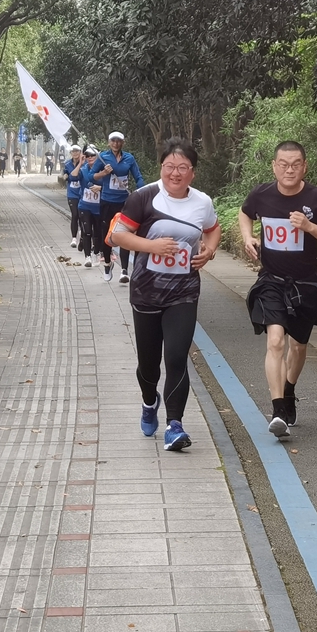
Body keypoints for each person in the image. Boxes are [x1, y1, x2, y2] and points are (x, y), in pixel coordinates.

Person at [109, 137, 220, 452]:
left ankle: (175, 425)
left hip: (184, 292)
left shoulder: (202, 202)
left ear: (192, 172)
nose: (176, 173)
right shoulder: (143, 198)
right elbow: (118, 236)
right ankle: (149, 401)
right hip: (146, 292)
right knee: (149, 364)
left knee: (175, 356)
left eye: (183, 167)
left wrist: (209, 251)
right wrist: (152, 246)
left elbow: (212, 228)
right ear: (161, 167)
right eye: (170, 166)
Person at [239, 141, 317, 438]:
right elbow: (245, 213)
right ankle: (277, 411)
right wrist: (248, 237)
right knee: (275, 341)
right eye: (283, 164)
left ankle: (288, 390)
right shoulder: (261, 194)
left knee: (298, 346)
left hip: (305, 283)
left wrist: (310, 227)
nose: (289, 169)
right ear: (274, 166)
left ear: (304, 167)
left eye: (295, 164)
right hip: (271, 280)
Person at [93, 131, 145, 284]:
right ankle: (107, 264)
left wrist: (141, 192)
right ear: (109, 142)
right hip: (107, 201)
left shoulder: (129, 158)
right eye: (113, 141)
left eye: (119, 141)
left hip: (124, 202)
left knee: (125, 234)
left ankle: (124, 270)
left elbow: (138, 176)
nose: (116, 144)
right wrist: (104, 172)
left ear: (123, 142)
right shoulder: (102, 157)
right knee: (107, 234)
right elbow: (91, 176)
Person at [77, 147, 104, 267]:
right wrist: (80, 163)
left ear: (98, 156)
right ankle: (87, 257)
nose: (90, 157)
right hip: (85, 206)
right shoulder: (83, 170)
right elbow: (73, 177)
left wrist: (101, 188)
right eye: (87, 155)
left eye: (93, 155)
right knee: (87, 232)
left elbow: (110, 186)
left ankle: (96, 253)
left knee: (97, 233)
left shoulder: (104, 170)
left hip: (99, 207)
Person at [63, 145, 84, 248]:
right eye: (73, 151)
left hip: (82, 192)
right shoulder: (67, 164)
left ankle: (82, 237)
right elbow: (66, 175)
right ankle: (74, 238)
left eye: (77, 151)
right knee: (75, 215)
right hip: (72, 193)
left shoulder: (85, 163)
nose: (75, 153)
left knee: (82, 216)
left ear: (80, 152)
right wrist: (64, 176)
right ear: (70, 153)